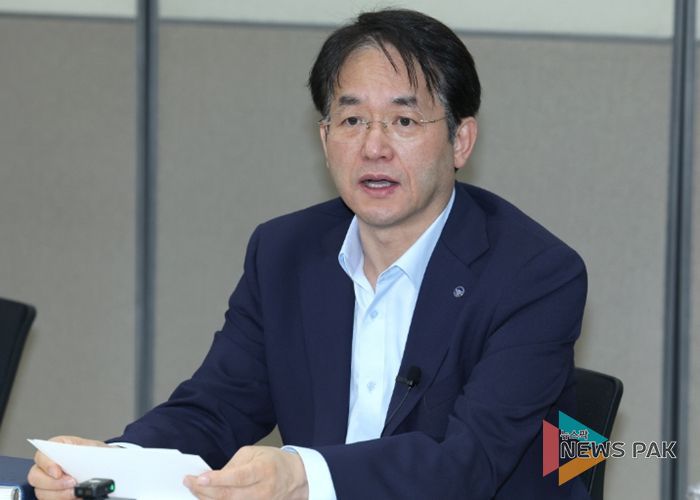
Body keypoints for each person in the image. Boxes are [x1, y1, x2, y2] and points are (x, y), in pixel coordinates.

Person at [29, 9, 590, 500]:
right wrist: (110, 465)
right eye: (351, 120)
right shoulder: (284, 254)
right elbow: (218, 407)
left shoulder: (535, 275)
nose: (374, 146)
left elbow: (468, 463)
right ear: (324, 139)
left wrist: (303, 477)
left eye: (403, 121)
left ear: (460, 140)